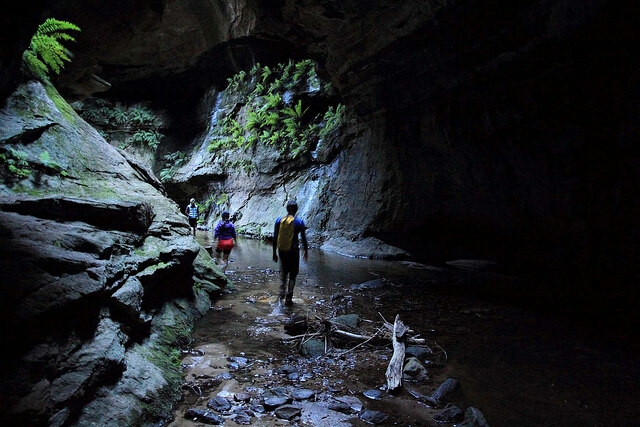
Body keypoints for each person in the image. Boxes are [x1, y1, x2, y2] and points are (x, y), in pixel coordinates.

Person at [272, 200, 308, 306]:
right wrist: (306, 251)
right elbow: (304, 239)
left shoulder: (279, 220)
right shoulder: (299, 222)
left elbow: (275, 238)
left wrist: (274, 252)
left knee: (284, 269)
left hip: (282, 250)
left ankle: (282, 288)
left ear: (287, 209)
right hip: (294, 251)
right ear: (296, 210)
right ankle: (289, 296)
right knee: (293, 274)